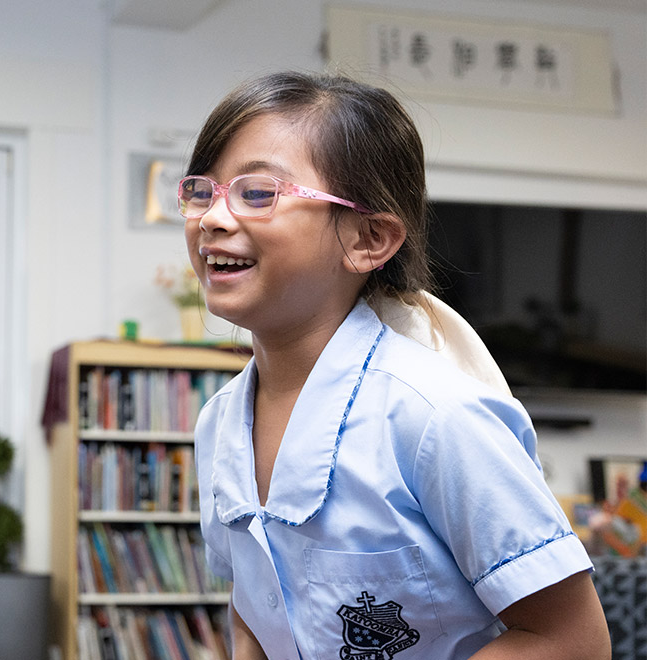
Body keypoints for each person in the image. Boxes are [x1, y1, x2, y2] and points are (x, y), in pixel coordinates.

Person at [181, 71, 610, 659]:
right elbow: (256, 609)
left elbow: (572, 641)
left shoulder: (435, 416)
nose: (211, 218)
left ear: (369, 239)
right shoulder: (219, 423)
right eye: (203, 192)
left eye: (258, 193)